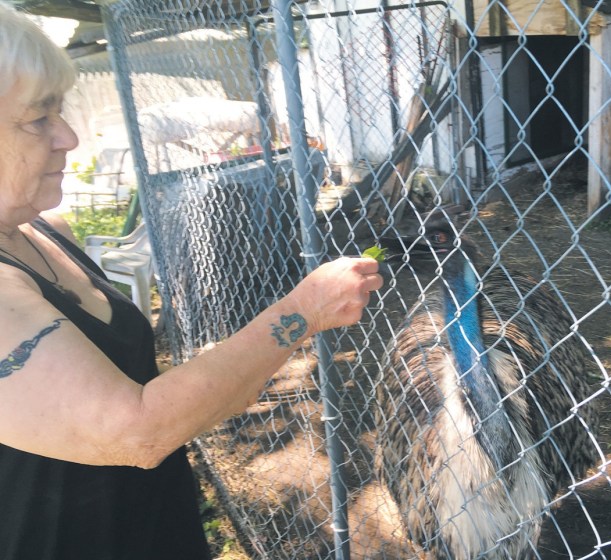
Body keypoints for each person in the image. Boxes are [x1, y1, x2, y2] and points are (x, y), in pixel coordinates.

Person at [0, 3, 383, 559]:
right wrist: (306, 308)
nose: (68, 138)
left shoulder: (44, 232)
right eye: (39, 118)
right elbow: (135, 429)